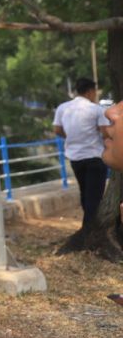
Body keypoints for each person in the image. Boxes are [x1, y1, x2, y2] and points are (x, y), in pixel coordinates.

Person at [54, 78, 110, 227]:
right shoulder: (96, 109)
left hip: (75, 157)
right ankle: (89, 228)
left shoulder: (63, 108)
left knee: (85, 193)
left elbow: (57, 130)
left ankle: (88, 226)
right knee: (95, 196)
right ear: (90, 91)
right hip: (94, 156)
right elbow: (105, 133)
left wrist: (72, 136)